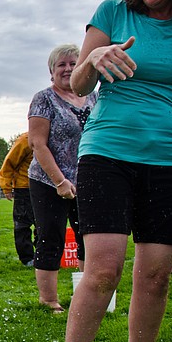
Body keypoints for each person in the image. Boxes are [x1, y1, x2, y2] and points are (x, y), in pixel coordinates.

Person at [57, 0, 172, 342]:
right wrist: (93, 63)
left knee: (156, 276)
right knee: (104, 270)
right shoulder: (113, 12)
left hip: (171, 158)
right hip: (107, 153)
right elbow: (77, 83)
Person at [27, 44, 97, 314]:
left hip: (88, 180)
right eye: (61, 65)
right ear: (52, 72)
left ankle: (88, 296)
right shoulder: (43, 99)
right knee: (50, 236)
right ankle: (49, 299)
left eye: (73, 63)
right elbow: (37, 144)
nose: (67, 69)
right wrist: (60, 181)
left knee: (88, 237)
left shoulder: (93, 97)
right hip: (48, 181)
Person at [0, 132, 36, 266]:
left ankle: (43, 254)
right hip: (24, 187)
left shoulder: (54, 137)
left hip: (47, 186)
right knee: (22, 224)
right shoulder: (25, 140)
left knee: (45, 225)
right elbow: (9, 164)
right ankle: (27, 258)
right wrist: (6, 186)